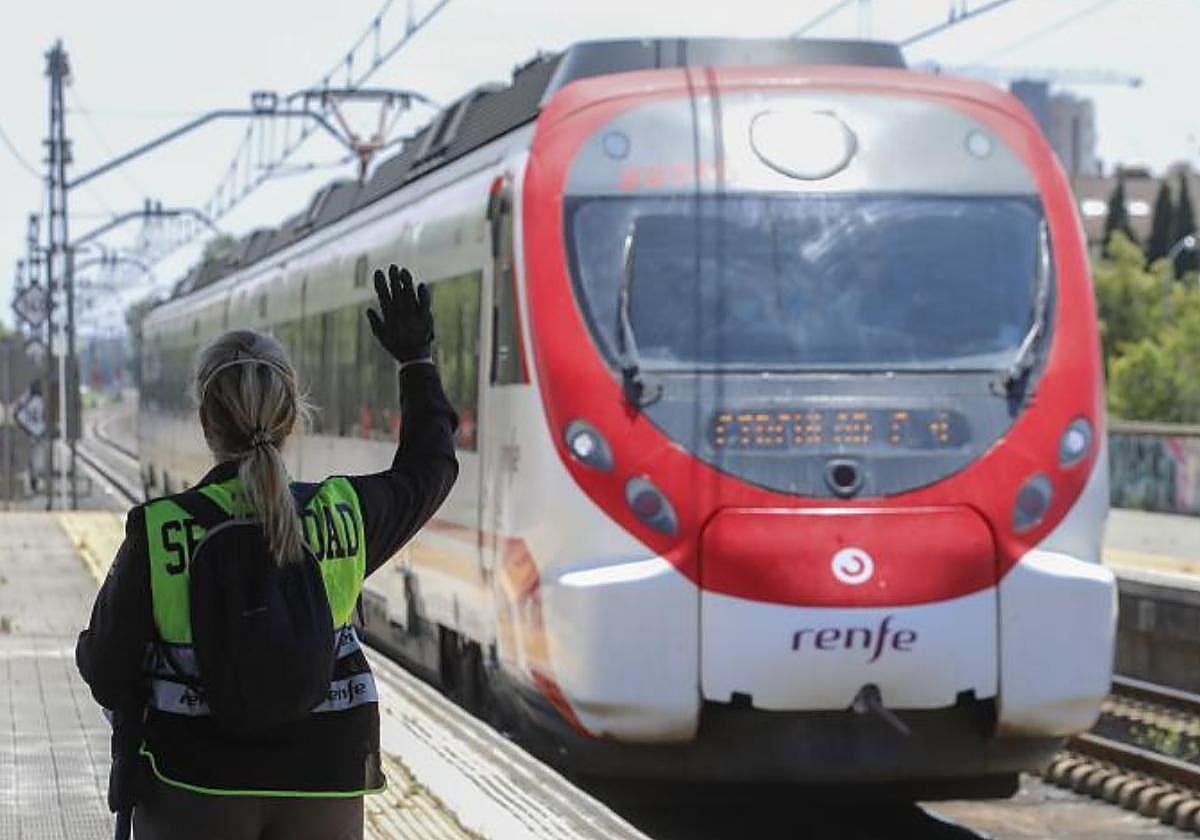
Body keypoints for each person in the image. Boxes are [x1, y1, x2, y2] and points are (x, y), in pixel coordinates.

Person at [76, 265, 458, 840]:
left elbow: (107, 671)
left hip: (192, 785)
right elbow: (430, 468)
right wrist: (417, 363)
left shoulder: (159, 529)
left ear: (206, 421)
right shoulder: (344, 514)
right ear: (291, 418)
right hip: (326, 778)